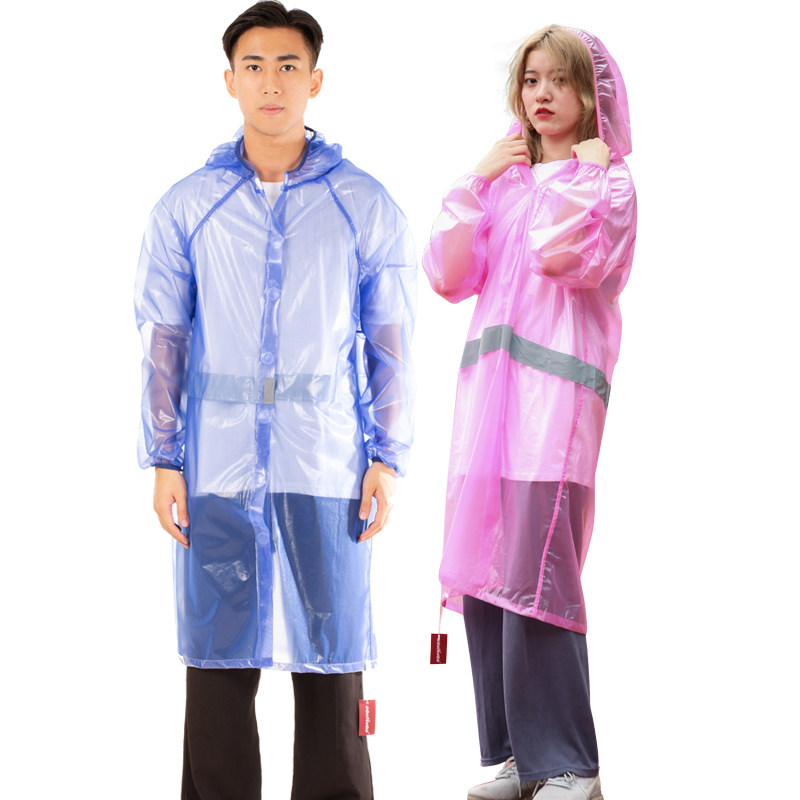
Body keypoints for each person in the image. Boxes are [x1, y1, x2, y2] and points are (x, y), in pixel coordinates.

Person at [134, 2, 416, 798]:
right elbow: (163, 338)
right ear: (229, 80)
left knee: (332, 666)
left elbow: (391, 343)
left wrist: (388, 457)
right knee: (218, 664)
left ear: (315, 81)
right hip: (217, 467)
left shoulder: (362, 203)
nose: (271, 82)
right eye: (253, 66)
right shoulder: (188, 205)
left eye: (288, 66)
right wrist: (164, 458)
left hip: (326, 466)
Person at [422, 25, 636, 800]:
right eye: (531, 79)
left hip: (556, 414)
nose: (542, 94)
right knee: (487, 579)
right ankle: (520, 757)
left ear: (593, 94)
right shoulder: (505, 184)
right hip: (489, 414)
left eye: (561, 80)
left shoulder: (608, 183)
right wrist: (475, 181)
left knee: (539, 576)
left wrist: (584, 172)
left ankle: (570, 763)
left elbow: (561, 253)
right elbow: (448, 274)